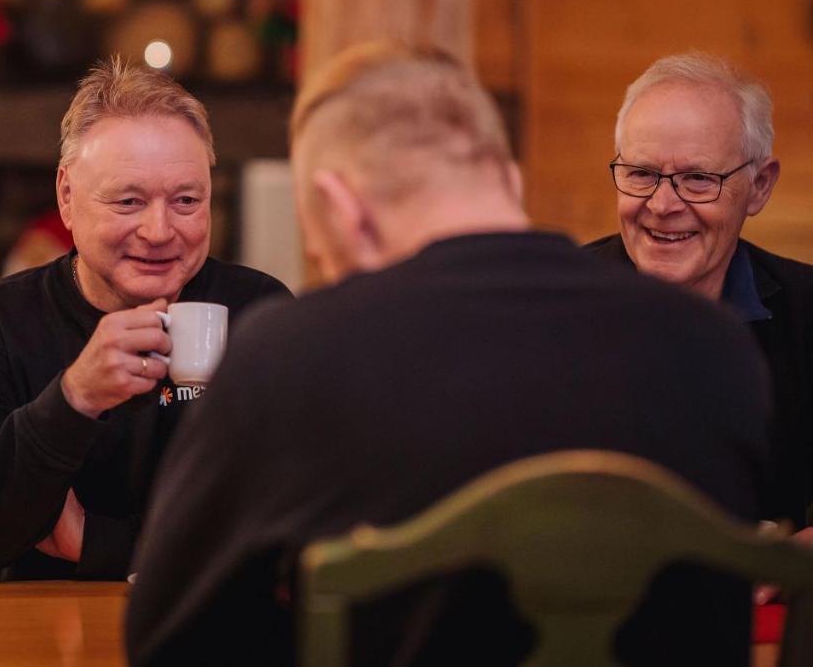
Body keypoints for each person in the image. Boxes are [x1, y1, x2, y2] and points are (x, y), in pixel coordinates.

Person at [126, 44, 771, 666]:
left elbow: (171, 641)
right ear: (507, 181)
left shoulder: (290, 356)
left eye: (322, 250)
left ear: (343, 211)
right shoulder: (716, 348)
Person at [0, 58, 290, 597]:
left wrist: (98, 546)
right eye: (128, 201)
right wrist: (71, 399)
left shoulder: (260, 313)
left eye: (186, 200)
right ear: (66, 196)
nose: (160, 231)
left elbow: (289, 537)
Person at [586, 52, 813, 533]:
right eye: (642, 173)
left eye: (698, 179)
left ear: (759, 187)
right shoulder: (550, 310)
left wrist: (787, 557)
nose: (663, 205)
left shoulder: (808, 311)